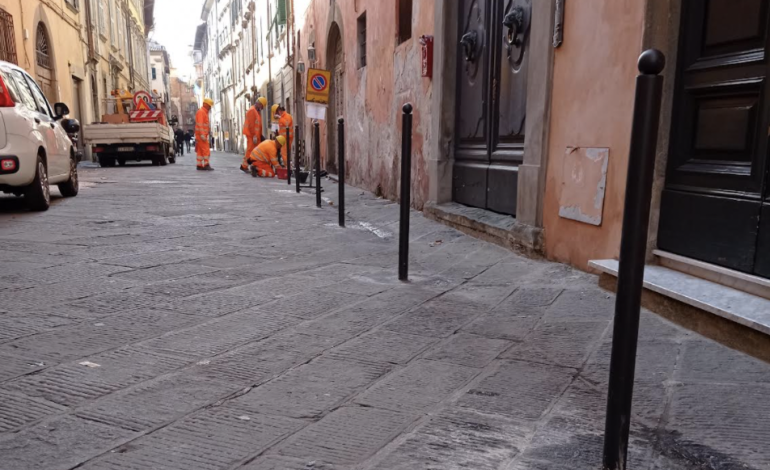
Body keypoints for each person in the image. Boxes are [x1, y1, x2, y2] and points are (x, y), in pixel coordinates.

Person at [241, 96, 267, 173]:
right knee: (250, 151)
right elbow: (252, 125)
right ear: (259, 104)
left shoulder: (256, 111)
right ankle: (244, 166)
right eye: (262, 106)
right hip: (252, 136)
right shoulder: (252, 111)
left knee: (255, 152)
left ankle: (253, 166)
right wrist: (254, 136)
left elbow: (257, 125)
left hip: (255, 136)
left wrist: (259, 135)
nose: (262, 108)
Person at [195, 98, 214, 171]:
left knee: (200, 150)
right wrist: (202, 135)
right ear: (206, 105)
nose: (210, 108)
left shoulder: (203, 112)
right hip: (201, 136)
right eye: (209, 106)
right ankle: (206, 164)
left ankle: (199, 165)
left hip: (201, 135)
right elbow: (200, 125)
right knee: (206, 150)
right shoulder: (201, 112)